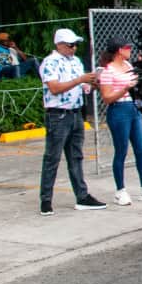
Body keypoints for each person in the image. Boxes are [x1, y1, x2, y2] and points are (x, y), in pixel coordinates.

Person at [37, 28, 105, 215]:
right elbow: (54, 88)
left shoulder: (76, 62)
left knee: (76, 156)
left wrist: (92, 82)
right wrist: (79, 80)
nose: (74, 48)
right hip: (58, 114)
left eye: (75, 45)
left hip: (76, 112)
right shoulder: (50, 63)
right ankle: (46, 200)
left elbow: (83, 87)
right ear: (59, 45)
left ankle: (82, 195)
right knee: (52, 157)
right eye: (70, 45)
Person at [97, 38, 142, 206]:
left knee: (141, 149)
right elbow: (107, 97)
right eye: (126, 47)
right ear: (118, 50)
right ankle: (120, 190)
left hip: (133, 109)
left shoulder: (129, 66)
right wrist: (124, 89)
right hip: (118, 110)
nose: (129, 50)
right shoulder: (108, 71)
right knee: (121, 151)